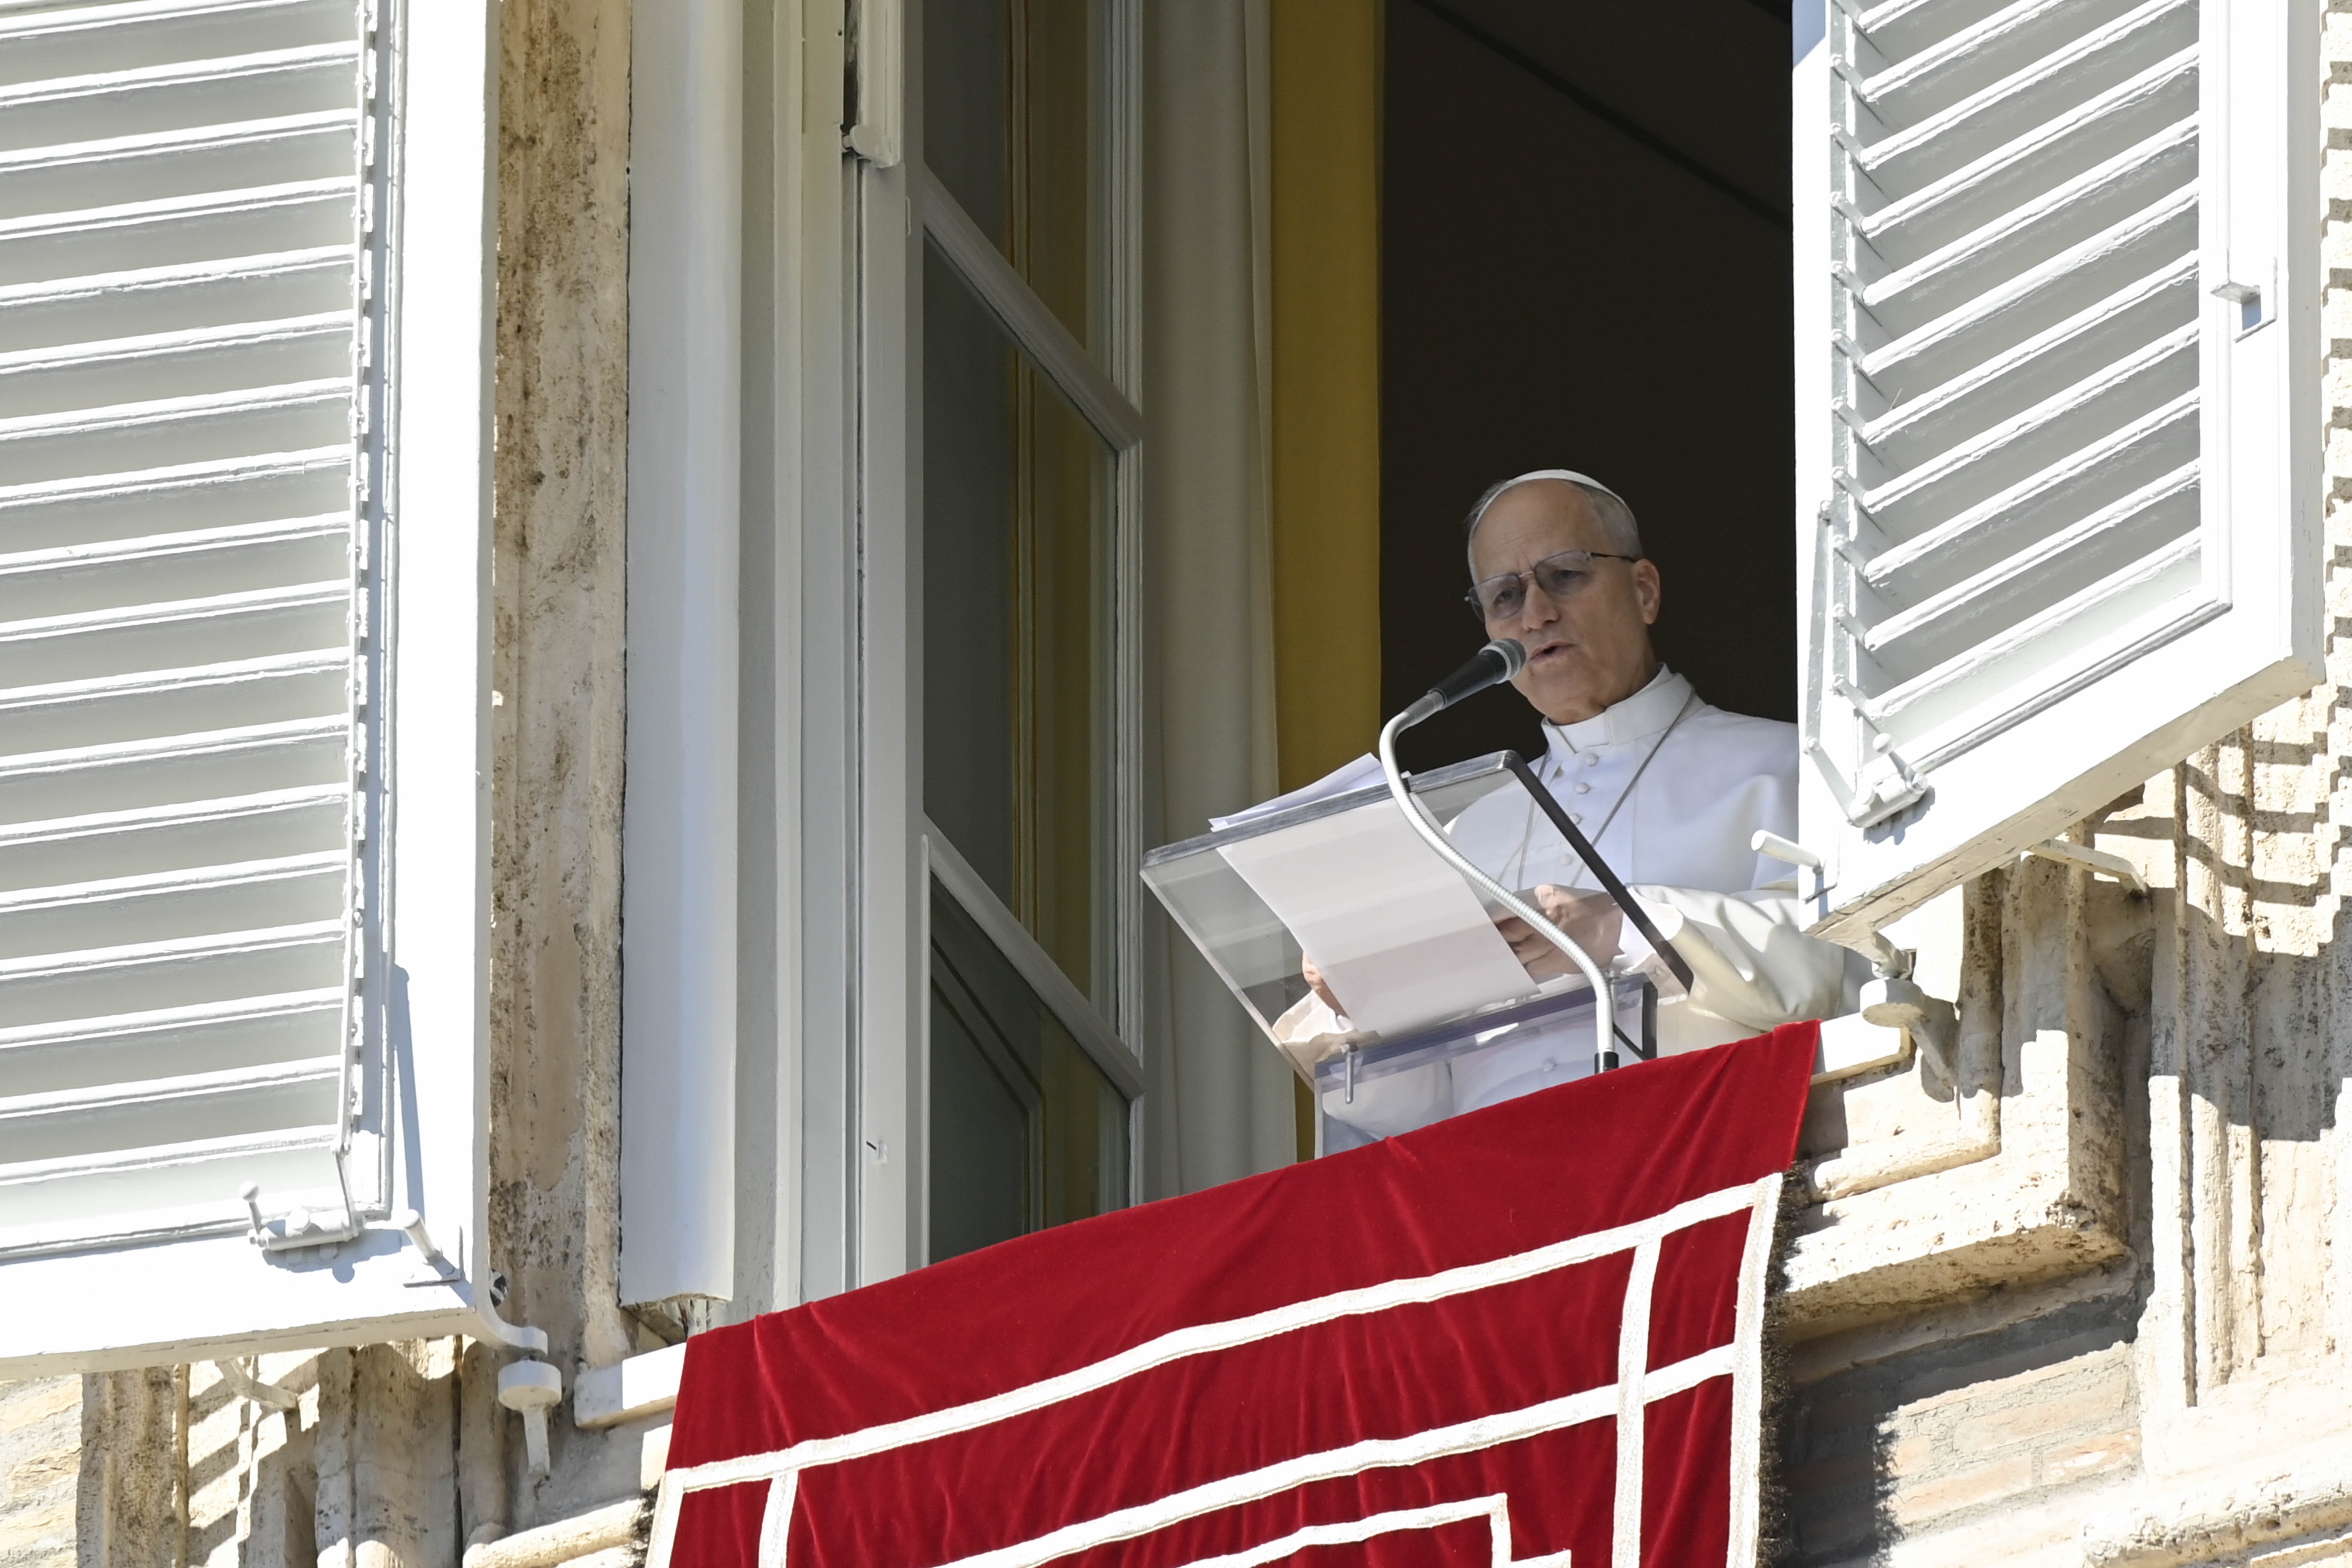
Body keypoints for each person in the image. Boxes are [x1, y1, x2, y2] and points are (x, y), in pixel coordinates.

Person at [1284, 469, 1865, 1137]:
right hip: (1493, 1178)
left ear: (1644, 590)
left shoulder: (1788, 765)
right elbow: (1422, 1106)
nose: (1535, 615)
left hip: (1702, 1146)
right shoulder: (1463, 837)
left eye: (1564, 575)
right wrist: (1359, 1004)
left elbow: (1837, 966)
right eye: (1506, 595)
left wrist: (1618, 926)